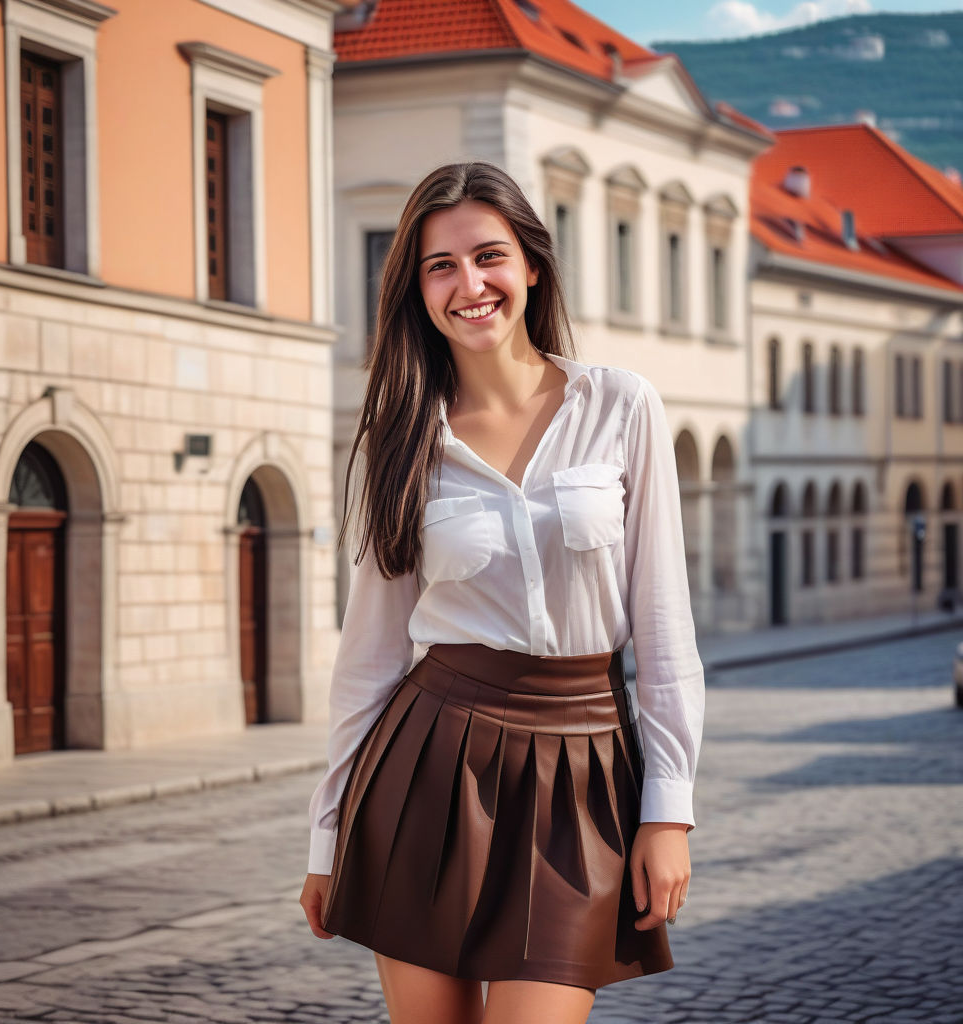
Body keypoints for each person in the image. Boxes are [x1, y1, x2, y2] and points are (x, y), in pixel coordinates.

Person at [300, 161, 705, 1024]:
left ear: (531, 265)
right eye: (440, 265)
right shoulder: (400, 437)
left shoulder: (621, 406)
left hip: (584, 772)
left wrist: (667, 814)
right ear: (416, 288)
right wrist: (326, 837)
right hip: (428, 769)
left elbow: (666, 634)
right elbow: (369, 654)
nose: (469, 285)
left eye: (489, 256)